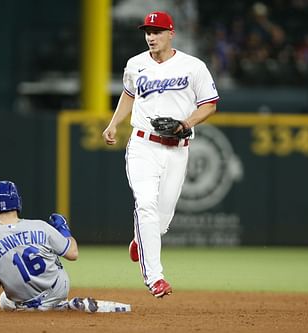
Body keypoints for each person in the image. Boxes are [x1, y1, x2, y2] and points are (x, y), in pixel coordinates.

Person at [102, 11, 219, 298]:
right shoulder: (135, 64)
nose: (150, 37)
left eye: (156, 31)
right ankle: (155, 278)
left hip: (177, 150)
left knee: (162, 220)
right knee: (146, 206)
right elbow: (129, 94)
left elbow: (210, 105)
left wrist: (185, 123)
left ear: (170, 33)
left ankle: (142, 241)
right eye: (147, 32)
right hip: (143, 145)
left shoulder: (193, 67)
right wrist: (113, 123)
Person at [0, 180, 97, 312]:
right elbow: (73, 254)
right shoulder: (40, 226)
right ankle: (61, 305)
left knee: (4, 300)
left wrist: (5, 272)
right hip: (57, 291)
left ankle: (36, 306)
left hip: (23, 302)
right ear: (18, 201)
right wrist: (64, 230)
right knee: (50, 251)